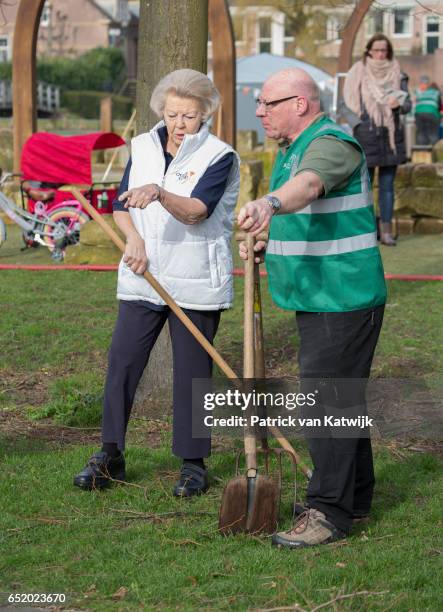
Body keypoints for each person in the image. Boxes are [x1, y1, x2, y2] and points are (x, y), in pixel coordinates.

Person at [237, 67, 386, 548]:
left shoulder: (332, 144)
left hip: (342, 297)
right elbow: (302, 216)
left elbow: (308, 188)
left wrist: (268, 205)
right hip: (319, 296)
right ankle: (355, 499)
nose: (259, 112)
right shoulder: (290, 150)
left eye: (268, 103)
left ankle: (327, 512)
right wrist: (267, 242)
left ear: (299, 103)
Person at [74, 69, 240, 496]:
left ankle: (192, 463)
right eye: (172, 114)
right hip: (143, 273)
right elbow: (121, 204)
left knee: (192, 373)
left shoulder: (219, 156)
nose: (179, 124)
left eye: (188, 116)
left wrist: (161, 193)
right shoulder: (144, 146)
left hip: (195, 276)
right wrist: (133, 239)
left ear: (205, 115)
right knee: (122, 363)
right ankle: (109, 454)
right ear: (160, 111)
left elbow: (198, 211)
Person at [343, 34, 411, 247]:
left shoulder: (398, 73)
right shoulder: (357, 71)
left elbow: (408, 105)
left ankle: (387, 232)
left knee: (387, 185)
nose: (381, 53)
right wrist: (359, 124)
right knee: (365, 185)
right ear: (369, 51)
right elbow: (345, 104)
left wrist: (397, 105)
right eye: (377, 49)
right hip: (366, 135)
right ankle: (368, 231)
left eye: (384, 50)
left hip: (391, 136)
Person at [414, 76, 441, 145]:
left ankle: (421, 151)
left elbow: (415, 105)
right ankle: (434, 152)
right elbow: (439, 107)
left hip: (419, 113)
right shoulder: (436, 92)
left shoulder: (420, 93)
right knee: (433, 133)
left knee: (421, 133)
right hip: (432, 113)